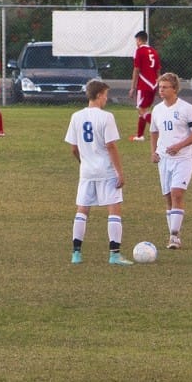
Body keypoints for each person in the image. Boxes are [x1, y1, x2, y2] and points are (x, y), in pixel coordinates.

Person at [65, 78, 132, 265]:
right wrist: (120, 172)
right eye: (106, 95)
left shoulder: (76, 117)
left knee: (82, 210)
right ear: (99, 95)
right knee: (114, 209)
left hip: (86, 171)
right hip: (106, 171)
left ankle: (76, 254)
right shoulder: (106, 117)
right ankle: (114, 254)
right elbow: (111, 146)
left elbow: (73, 148)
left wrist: (83, 162)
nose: (106, 99)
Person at [150, 71, 192, 250]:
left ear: (175, 89)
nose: (161, 90)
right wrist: (154, 151)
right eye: (160, 87)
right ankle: (173, 232)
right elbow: (154, 131)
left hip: (183, 158)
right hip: (164, 159)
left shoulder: (187, 109)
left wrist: (179, 146)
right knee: (168, 198)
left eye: (165, 87)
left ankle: (174, 236)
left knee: (177, 193)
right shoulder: (157, 109)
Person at [129, 29, 161, 141]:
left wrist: (133, 87)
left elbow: (136, 69)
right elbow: (157, 71)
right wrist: (158, 86)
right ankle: (139, 135)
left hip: (144, 85)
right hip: (153, 84)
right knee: (144, 110)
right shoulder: (154, 51)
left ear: (138, 40)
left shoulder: (139, 51)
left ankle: (161, 130)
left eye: (136, 41)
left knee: (142, 110)